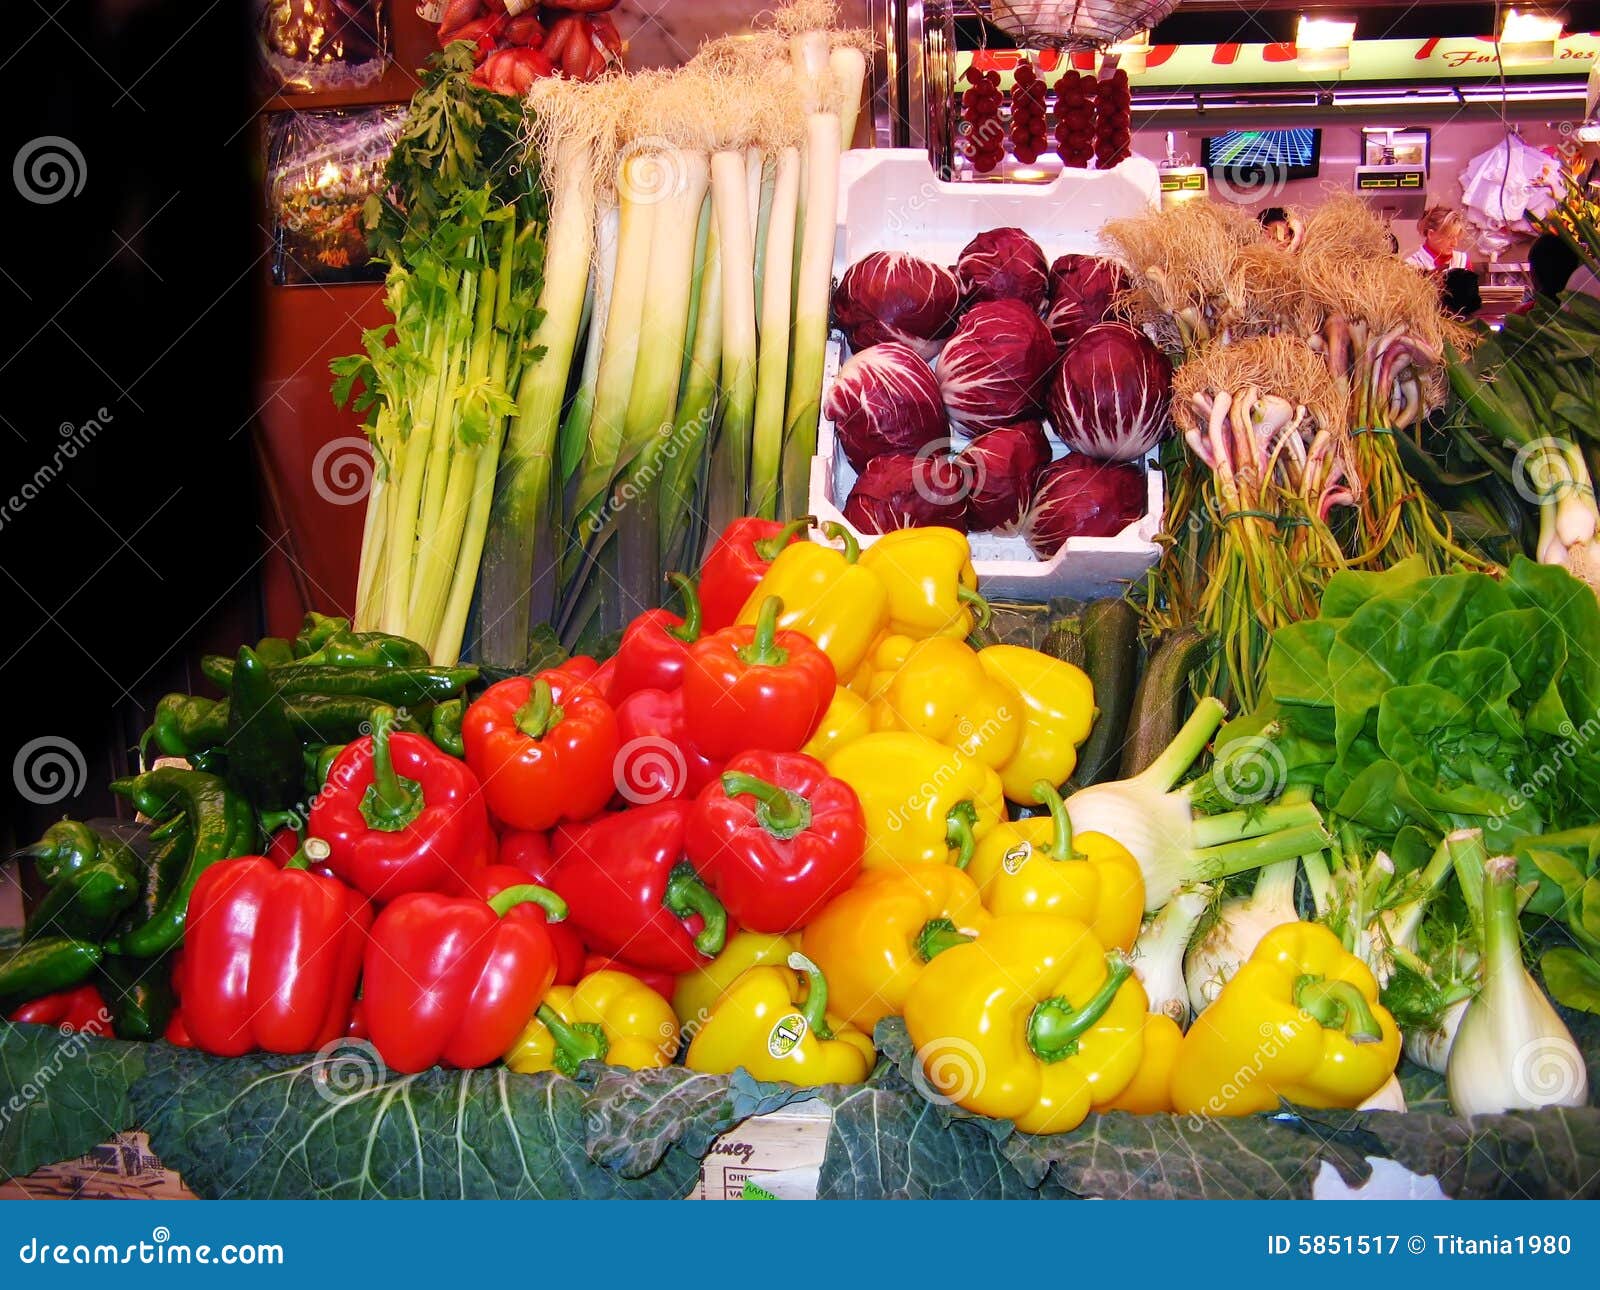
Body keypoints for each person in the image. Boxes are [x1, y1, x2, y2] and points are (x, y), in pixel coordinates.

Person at [1404, 206, 1468, 274]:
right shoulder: (1410, 266)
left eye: (1456, 237)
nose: (1455, 244)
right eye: (1449, 237)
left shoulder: (1461, 261)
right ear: (1431, 234)